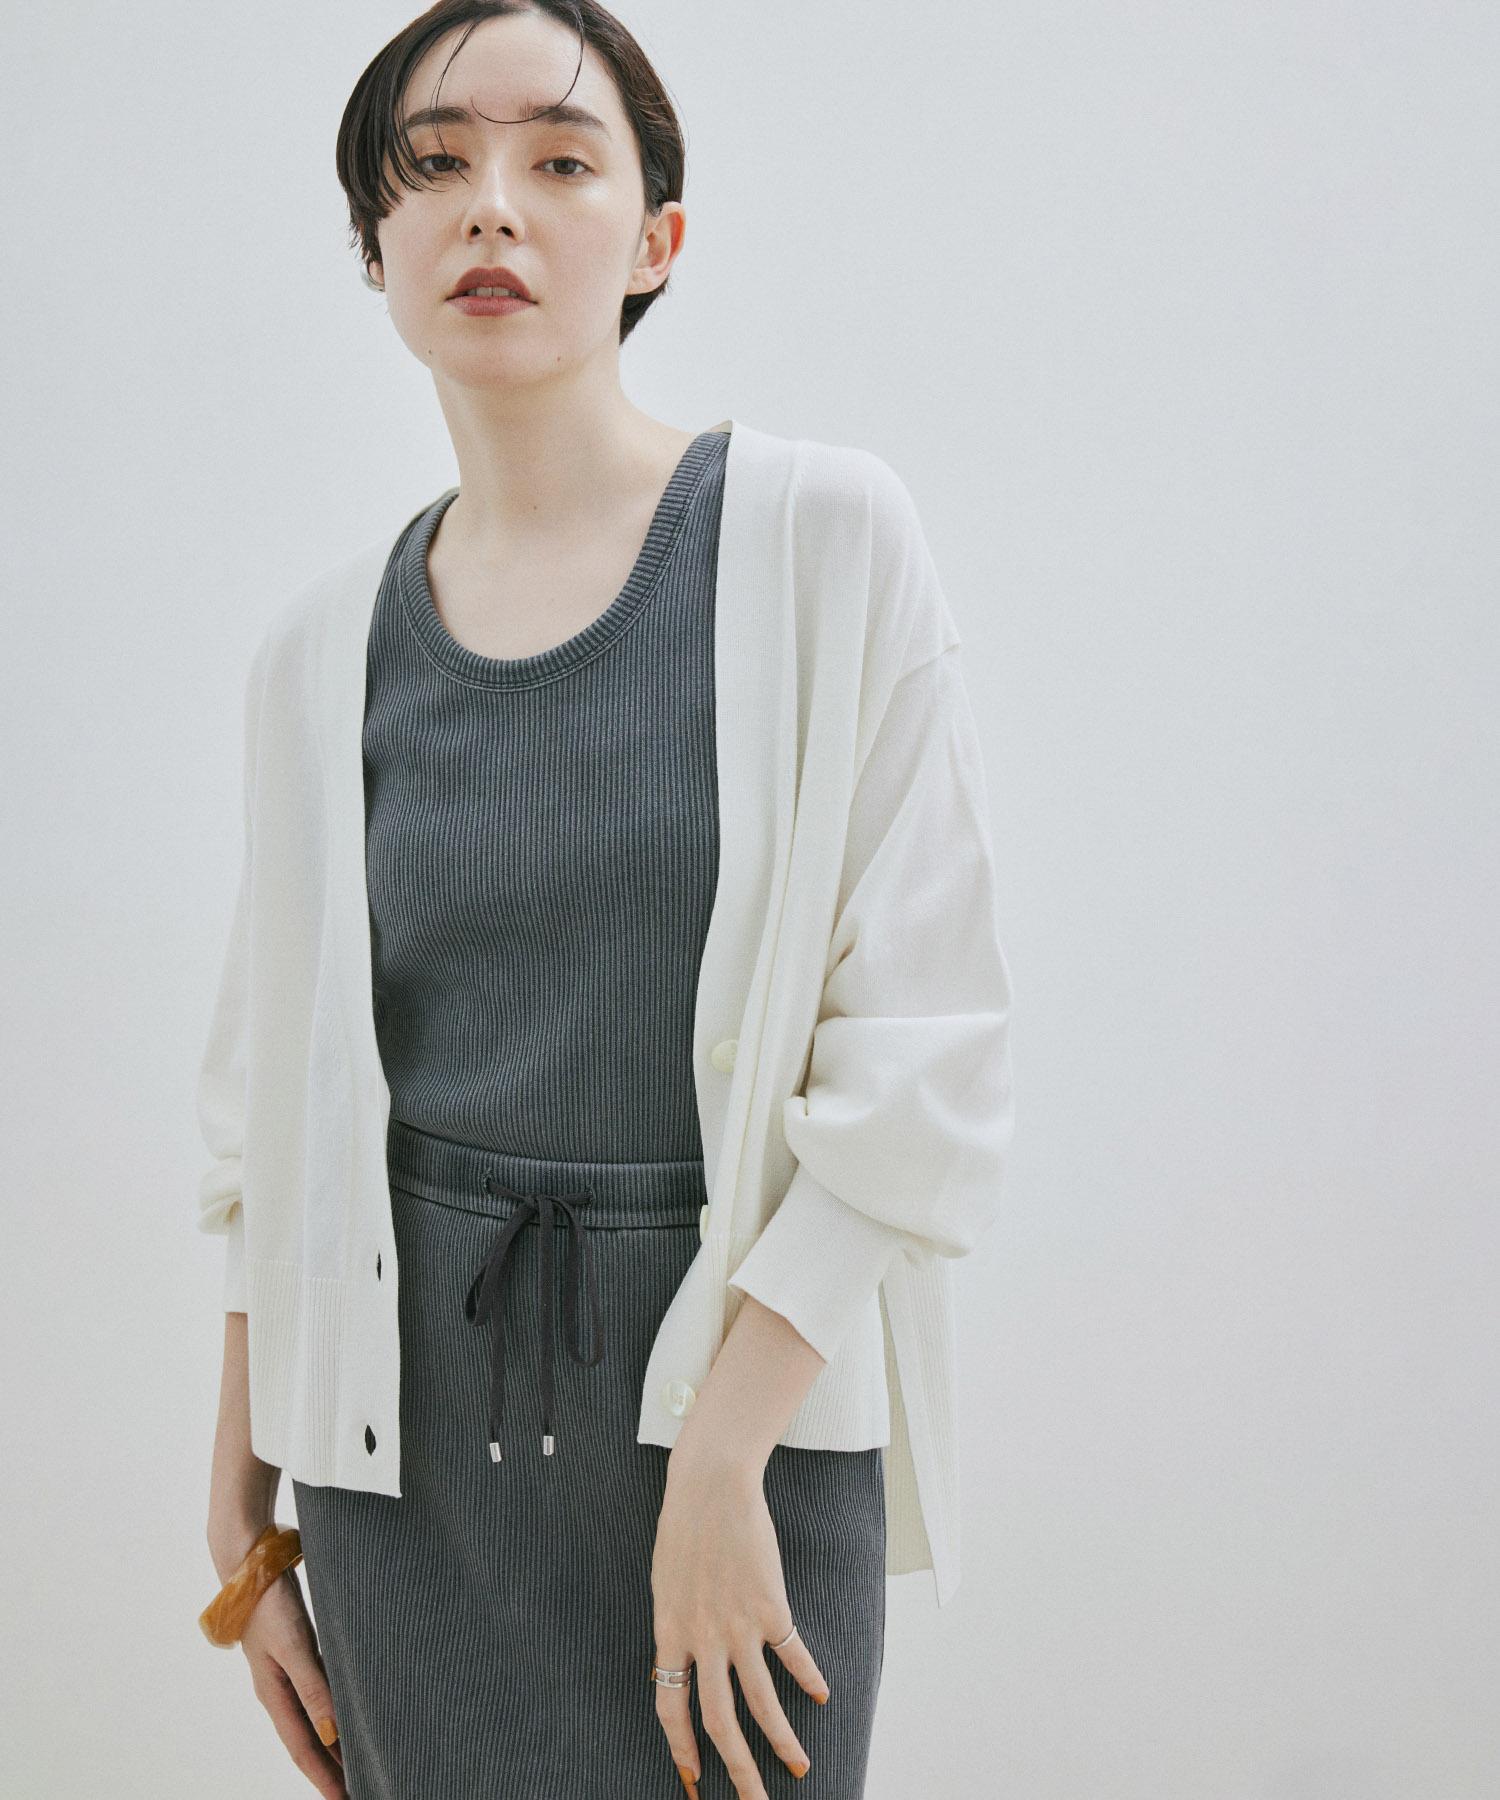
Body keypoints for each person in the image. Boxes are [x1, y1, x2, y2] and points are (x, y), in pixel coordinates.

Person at [197, 4, 1015, 1798]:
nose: (492, 204)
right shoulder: (316, 652)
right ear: (377, 245)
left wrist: (722, 1468)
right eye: (433, 163)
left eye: (561, 160)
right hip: (396, 1462)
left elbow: (927, 1061)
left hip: (741, 1420)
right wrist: (243, 1518)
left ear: (655, 240)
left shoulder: (821, 541)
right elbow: (277, 1120)